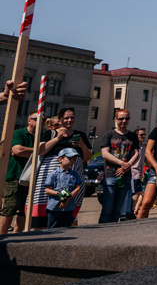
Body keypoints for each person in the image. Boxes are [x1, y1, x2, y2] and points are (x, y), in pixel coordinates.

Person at [28, 107, 91, 226]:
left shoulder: (80, 135)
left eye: (72, 117)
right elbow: (40, 151)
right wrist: (57, 138)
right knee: (45, 211)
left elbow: (87, 157)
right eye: (66, 118)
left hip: (72, 177)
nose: (69, 120)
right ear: (60, 119)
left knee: (68, 211)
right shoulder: (50, 133)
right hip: (50, 176)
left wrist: (82, 145)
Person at [98, 108, 141, 224]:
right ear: (115, 119)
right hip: (111, 174)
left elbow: (136, 153)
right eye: (121, 118)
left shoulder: (132, 136)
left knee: (118, 208)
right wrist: (122, 163)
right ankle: (102, 230)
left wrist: (127, 166)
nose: (124, 121)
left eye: (127, 118)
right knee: (107, 207)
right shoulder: (109, 134)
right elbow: (105, 154)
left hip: (126, 175)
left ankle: (112, 230)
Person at [1, 80, 30, 235]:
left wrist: (5, 96)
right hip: (13, 177)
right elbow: (18, 151)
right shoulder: (19, 134)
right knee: (9, 210)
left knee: (23, 212)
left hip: (26, 179)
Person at [43, 148, 83, 229]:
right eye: (69, 158)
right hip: (55, 207)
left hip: (69, 207)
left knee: (67, 227)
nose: (72, 161)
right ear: (60, 159)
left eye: (74, 159)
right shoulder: (54, 174)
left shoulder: (74, 174)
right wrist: (60, 194)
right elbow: (47, 190)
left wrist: (69, 197)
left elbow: (78, 187)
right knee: (53, 228)